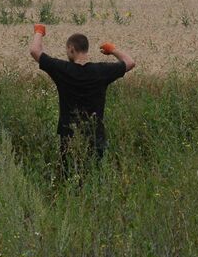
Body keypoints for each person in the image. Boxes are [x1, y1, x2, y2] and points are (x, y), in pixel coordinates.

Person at [29, 26, 135, 161]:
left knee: (70, 175)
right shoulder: (102, 71)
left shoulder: (62, 69)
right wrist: (112, 50)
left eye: (67, 50)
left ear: (71, 49)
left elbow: (34, 51)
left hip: (69, 136)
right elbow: (130, 62)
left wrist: (39, 31)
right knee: (95, 176)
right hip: (96, 136)